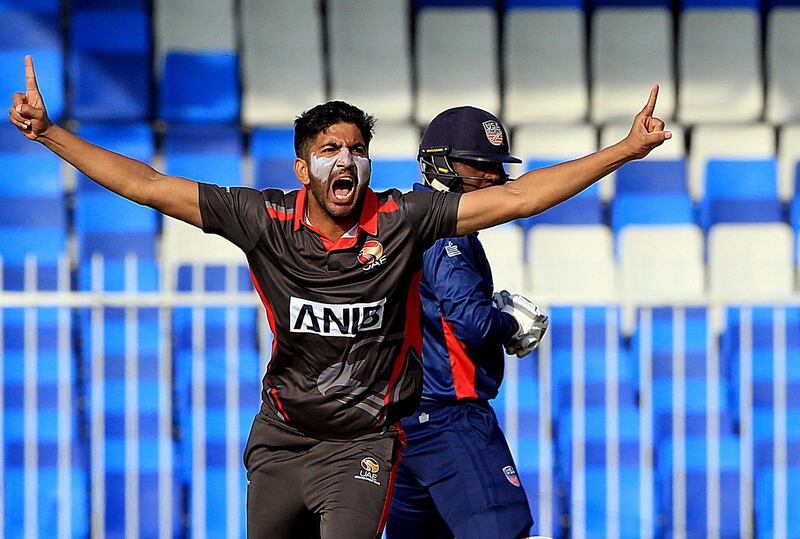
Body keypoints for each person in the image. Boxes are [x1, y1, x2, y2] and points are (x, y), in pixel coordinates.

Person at [8, 55, 670, 539]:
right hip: (280, 439)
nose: (345, 160)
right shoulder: (262, 218)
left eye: (356, 149)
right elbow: (149, 184)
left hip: (364, 442)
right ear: (304, 169)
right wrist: (50, 134)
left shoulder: (404, 217)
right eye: (329, 150)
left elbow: (520, 196)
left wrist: (625, 149)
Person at [386, 107, 548, 539]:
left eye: (496, 166)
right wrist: (511, 324)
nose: (492, 177)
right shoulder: (445, 234)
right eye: (479, 165)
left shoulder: (402, 220)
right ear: (440, 164)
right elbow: (472, 323)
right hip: (450, 420)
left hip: (405, 425)